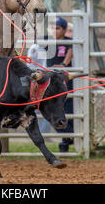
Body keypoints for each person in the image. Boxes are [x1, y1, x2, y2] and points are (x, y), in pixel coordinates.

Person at [46, 16, 74, 152]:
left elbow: (71, 51)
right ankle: (68, 136)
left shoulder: (71, 42)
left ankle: (67, 139)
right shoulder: (47, 42)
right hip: (51, 82)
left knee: (68, 109)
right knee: (51, 109)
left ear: (64, 30)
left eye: (57, 28)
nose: (54, 31)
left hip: (65, 81)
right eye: (52, 28)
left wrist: (64, 64)